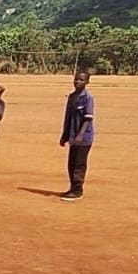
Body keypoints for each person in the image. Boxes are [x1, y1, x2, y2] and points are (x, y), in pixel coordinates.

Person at [59, 71, 95, 201]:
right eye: (76, 79)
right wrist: (65, 135)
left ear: (87, 82)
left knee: (79, 164)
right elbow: (68, 118)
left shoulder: (87, 98)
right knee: (71, 163)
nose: (77, 82)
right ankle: (72, 187)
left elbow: (88, 118)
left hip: (84, 138)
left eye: (81, 80)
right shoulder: (72, 97)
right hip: (73, 137)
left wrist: (80, 135)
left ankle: (78, 190)